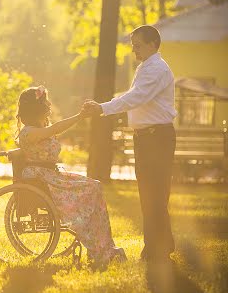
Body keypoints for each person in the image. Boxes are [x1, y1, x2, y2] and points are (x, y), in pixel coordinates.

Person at [88, 25, 177, 264]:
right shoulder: (145, 68)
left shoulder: (156, 69)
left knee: (155, 194)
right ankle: (157, 247)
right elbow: (134, 96)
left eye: (137, 45)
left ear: (152, 44)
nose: (134, 50)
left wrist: (103, 108)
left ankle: (158, 249)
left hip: (157, 138)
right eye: (133, 45)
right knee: (149, 195)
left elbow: (137, 97)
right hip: (147, 137)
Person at [16, 85, 127, 269]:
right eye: (45, 102)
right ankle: (99, 250)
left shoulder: (39, 128)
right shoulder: (29, 132)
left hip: (51, 176)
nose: (49, 105)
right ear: (37, 109)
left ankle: (104, 248)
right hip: (44, 180)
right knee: (92, 189)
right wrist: (80, 116)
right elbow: (58, 128)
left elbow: (57, 129)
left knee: (95, 186)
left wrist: (81, 116)